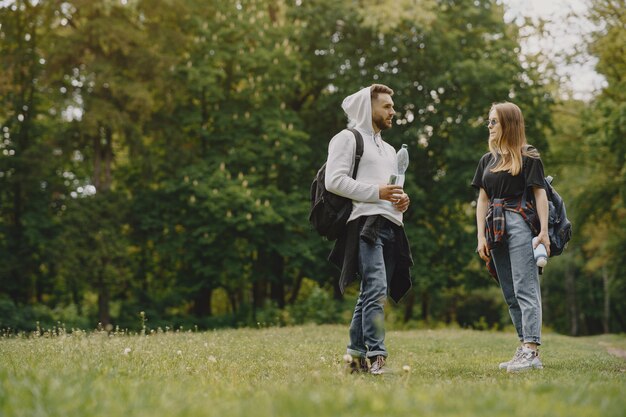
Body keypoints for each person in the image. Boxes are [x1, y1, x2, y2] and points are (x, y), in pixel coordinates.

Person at [325, 84, 413, 375]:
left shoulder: (389, 149)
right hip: (365, 225)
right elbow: (334, 181)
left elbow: (392, 189)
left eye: (392, 106)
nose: (393, 112)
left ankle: (354, 357)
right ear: (369, 107)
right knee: (376, 289)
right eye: (387, 106)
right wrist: (378, 192)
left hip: (392, 225)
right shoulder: (347, 138)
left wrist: (401, 200)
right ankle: (377, 357)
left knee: (371, 292)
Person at [472, 102, 550, 372]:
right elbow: (482, 200)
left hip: (518, 224)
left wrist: (543, 232)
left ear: (508, 123)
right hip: (494, 227)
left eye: (494, 121)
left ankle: (532, 350)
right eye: (489, 121)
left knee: (525, 287)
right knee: (509, 291)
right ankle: (523, 347)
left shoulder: (528, 156)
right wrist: (480, 236)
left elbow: (540, 195)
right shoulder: (487, 160)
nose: (490, 126)